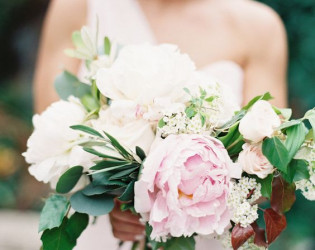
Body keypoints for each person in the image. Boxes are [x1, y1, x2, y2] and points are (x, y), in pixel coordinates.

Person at [33, 0, 288, 249]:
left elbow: (269, 165)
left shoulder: (258, 27)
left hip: (205, 235)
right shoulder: (78, 6)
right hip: (106, 233)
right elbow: (51, 133)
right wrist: (109, 195)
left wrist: (189, 199)